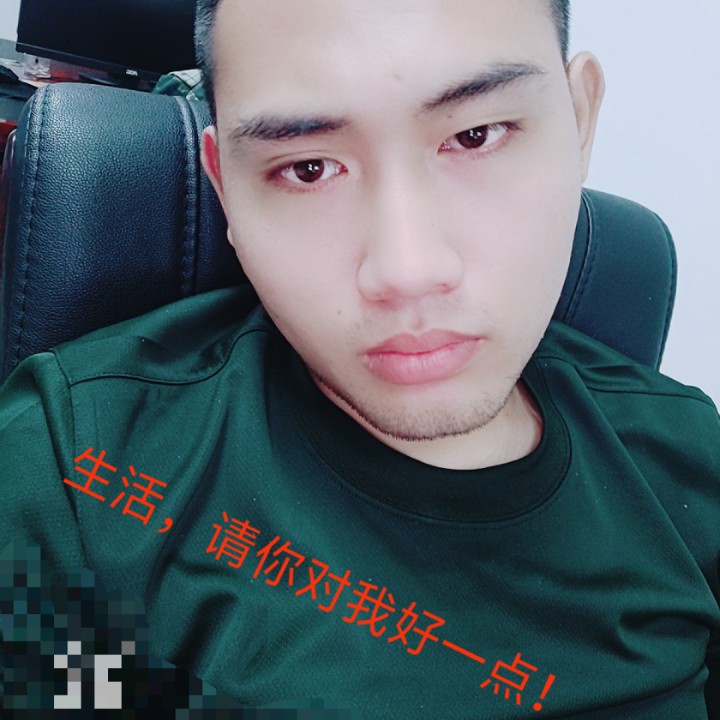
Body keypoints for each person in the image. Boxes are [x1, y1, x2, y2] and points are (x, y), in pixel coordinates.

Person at [1, 0, 718, 717]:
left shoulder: (692, 460)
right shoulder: (74, 471)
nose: (408, 270)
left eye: (475, 135)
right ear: (225, 187)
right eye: (308, 168)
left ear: (580, 120)